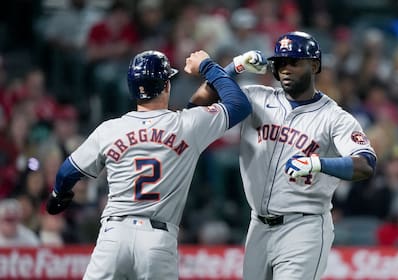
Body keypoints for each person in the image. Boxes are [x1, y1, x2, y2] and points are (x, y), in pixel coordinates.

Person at [45, 49, 251, 279]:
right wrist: (208, 66)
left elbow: (66, 173)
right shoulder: (185, 126)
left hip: (114, 235)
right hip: (157, 239)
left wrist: (58, 196)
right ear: (166, 86)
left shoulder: (110, 129)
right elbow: (239, 105)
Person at [188, 31, 377, 280]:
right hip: (258, 225)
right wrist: (234, 67)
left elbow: (366, 164)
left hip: (304, 227)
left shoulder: (335, 117)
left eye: (294, 62)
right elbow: (195, 109)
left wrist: (318, 163)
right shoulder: (255, 97)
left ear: (314, 65)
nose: (286, 69)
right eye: (280, 63)